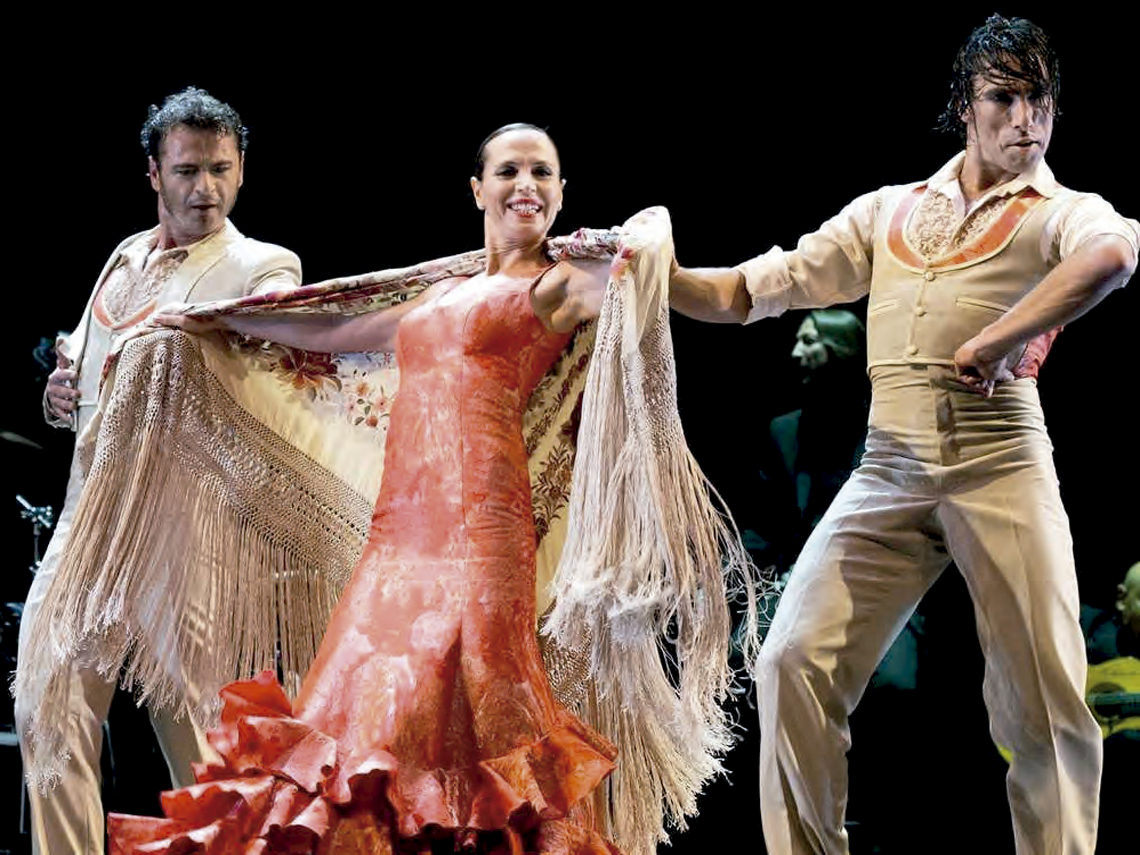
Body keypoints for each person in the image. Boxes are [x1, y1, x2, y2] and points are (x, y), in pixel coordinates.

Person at [104, 125, 754, 855]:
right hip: (398, 538)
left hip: (482, 535)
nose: (526, 185)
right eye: (509, 171)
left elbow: (650, 263)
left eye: (543, 173)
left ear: (562, 192)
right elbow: (337, 330)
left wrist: (636, 235)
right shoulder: (443, 290)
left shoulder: (561, 282)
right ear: (478, 190)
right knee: (358, 717)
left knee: (466, 716)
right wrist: (217, 321)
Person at [669, 15, 1138, 854]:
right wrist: (654, 278)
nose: (1026, 120)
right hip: (889, 465)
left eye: (1040, 100)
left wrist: (1002, 335)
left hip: (1000, 459)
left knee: (1045, 699)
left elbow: (1111, 257)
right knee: (790, 659)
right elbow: (752, 290)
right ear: (964, 106)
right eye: (1004, 98)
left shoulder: (1060, 210)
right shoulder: (891, 209)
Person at [14, 86, 301, 855]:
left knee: (204, 763)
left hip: (182, 543)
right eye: (187, 171)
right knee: (48, 715)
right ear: (153, 174)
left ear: (241, 170)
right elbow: (84, 373)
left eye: (220, 169)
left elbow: (279, 331)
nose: (205, 188)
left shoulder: (261, 266)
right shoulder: (123, 257)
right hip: (88, 533)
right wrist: (57, 396)